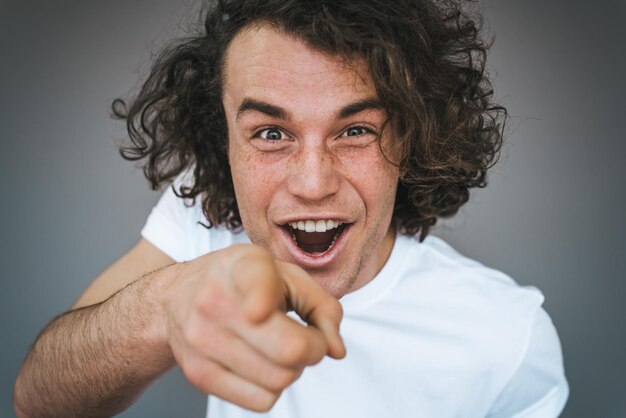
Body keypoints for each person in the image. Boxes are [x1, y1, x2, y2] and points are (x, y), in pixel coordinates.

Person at [14, 0, 569, 417]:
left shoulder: (510, 338)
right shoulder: (201, 222)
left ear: (412, 138)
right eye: (271, 133)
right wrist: (164, 306)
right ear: (223, 140)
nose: (311, 183)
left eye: (355, 130)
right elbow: (37, 399)